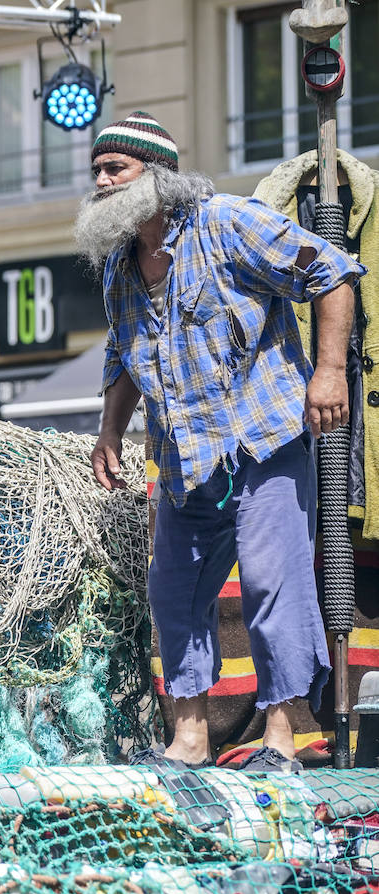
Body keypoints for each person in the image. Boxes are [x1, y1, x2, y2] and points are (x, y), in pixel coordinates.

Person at [79, 112, 364, 773]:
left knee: (272, 587)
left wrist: (326, 372)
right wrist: (110, 431)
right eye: (95, 169)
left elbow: (332, 272)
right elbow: (123, 355)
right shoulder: (118, 268)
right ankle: (190, 740)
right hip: (186, 460)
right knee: (173, 591)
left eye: (115, 168)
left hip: (264, 446)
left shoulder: (230, 223)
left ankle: (281, 741)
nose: (100, 180)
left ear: (158, 177)